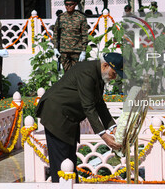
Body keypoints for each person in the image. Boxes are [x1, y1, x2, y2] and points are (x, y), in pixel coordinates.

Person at [35, 52, 123, 182]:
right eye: (114, 74)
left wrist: (112, 126)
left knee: (69, 162)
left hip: (68, 118)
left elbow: (99, 103)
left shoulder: (98, 74)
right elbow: (88, 106)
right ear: (105, 65)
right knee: (61, 164)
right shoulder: (87, 72)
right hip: (57, 116)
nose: (114, 78)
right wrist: (104, 135)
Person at [52, 0, 89, 73]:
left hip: (76, 51)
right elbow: (56, 33)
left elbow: (84, 35)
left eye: (71, 4)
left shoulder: (81, 18)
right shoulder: (60, 17)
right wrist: (55, 48)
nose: (68, 6)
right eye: (66, 4)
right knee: (67, 74)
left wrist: (84, 51)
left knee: (77, 73)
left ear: (75, 4)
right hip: (64, 51)